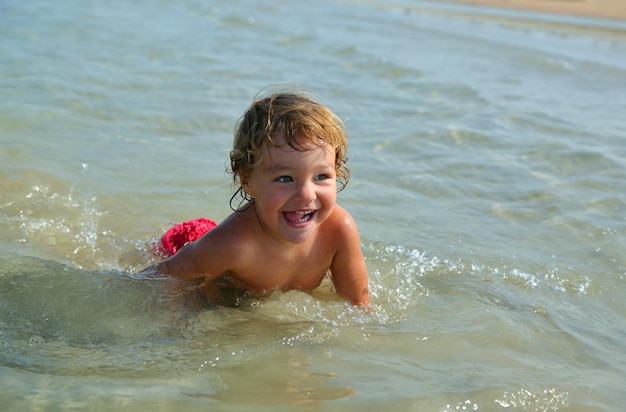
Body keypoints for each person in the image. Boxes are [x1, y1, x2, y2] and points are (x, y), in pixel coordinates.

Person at [141, 91, 369, 307]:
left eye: (321, 176)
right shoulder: (233, 244)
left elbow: (359, 308)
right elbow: (155, 279)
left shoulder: (339, 231)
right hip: (207, 275)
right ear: (247, 180)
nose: (306, 194)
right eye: (285, 178)